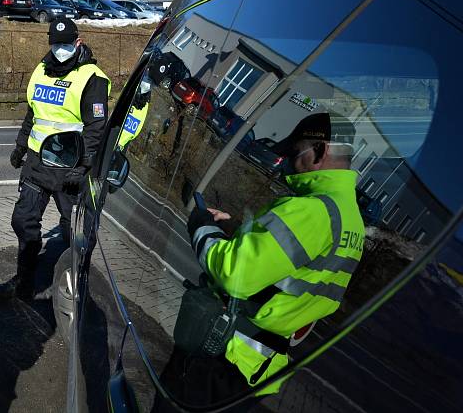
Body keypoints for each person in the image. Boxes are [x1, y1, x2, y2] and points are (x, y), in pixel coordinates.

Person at [153, 112, 365, 411]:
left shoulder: (313, 211)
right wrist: (232, 237)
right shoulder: (350, 221)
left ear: (319, 152)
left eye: (294, 153)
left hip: (222, 355)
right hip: (258, 367)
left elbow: (235, 273)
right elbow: (282, 273)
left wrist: (202, 226)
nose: (287, 165)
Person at [9, 18, 111, 299]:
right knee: (23, 221)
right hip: (37, 164)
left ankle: (76, 284)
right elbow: (33, 114)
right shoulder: (41, 70)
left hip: (69, 169)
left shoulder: (92, 78)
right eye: (56, 44)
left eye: (66, 44)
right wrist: (20, 146)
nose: (61, 49)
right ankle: (25, 282)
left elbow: (96, 128)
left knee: (75, 232)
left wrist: (84, 165)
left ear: (78, 42)